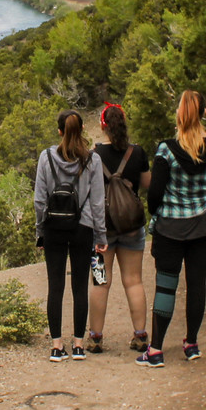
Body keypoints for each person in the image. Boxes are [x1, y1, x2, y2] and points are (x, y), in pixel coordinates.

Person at [136, 90, 206, 368]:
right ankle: (191, 343)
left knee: (166, 285)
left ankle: (156, 351)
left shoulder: (166, 150)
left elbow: (155, 193)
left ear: (179, 114)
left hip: (172, 228)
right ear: (204, 113)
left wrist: (157, 214)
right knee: (197, 283)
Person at [34, 109, 108, 362]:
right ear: (81, 131)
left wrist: (40, 231)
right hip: (83, 227)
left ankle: (56, 346)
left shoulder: (46, 157)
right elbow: (97, 202)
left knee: (55, 287)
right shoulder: (93, 160)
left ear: (59, 131)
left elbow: (39, 199)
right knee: (79, 287)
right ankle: (78, 344)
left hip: (54, 227)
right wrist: (101, 235)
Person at [88, 101, 150, 355]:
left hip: (102, 231)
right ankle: (140, 336)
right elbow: (147, 184)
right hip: (132, 228)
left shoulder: (93, 157)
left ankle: (95, 338)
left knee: (100, 281)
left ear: (103, 127)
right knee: (134, 281)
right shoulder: (138, 153)